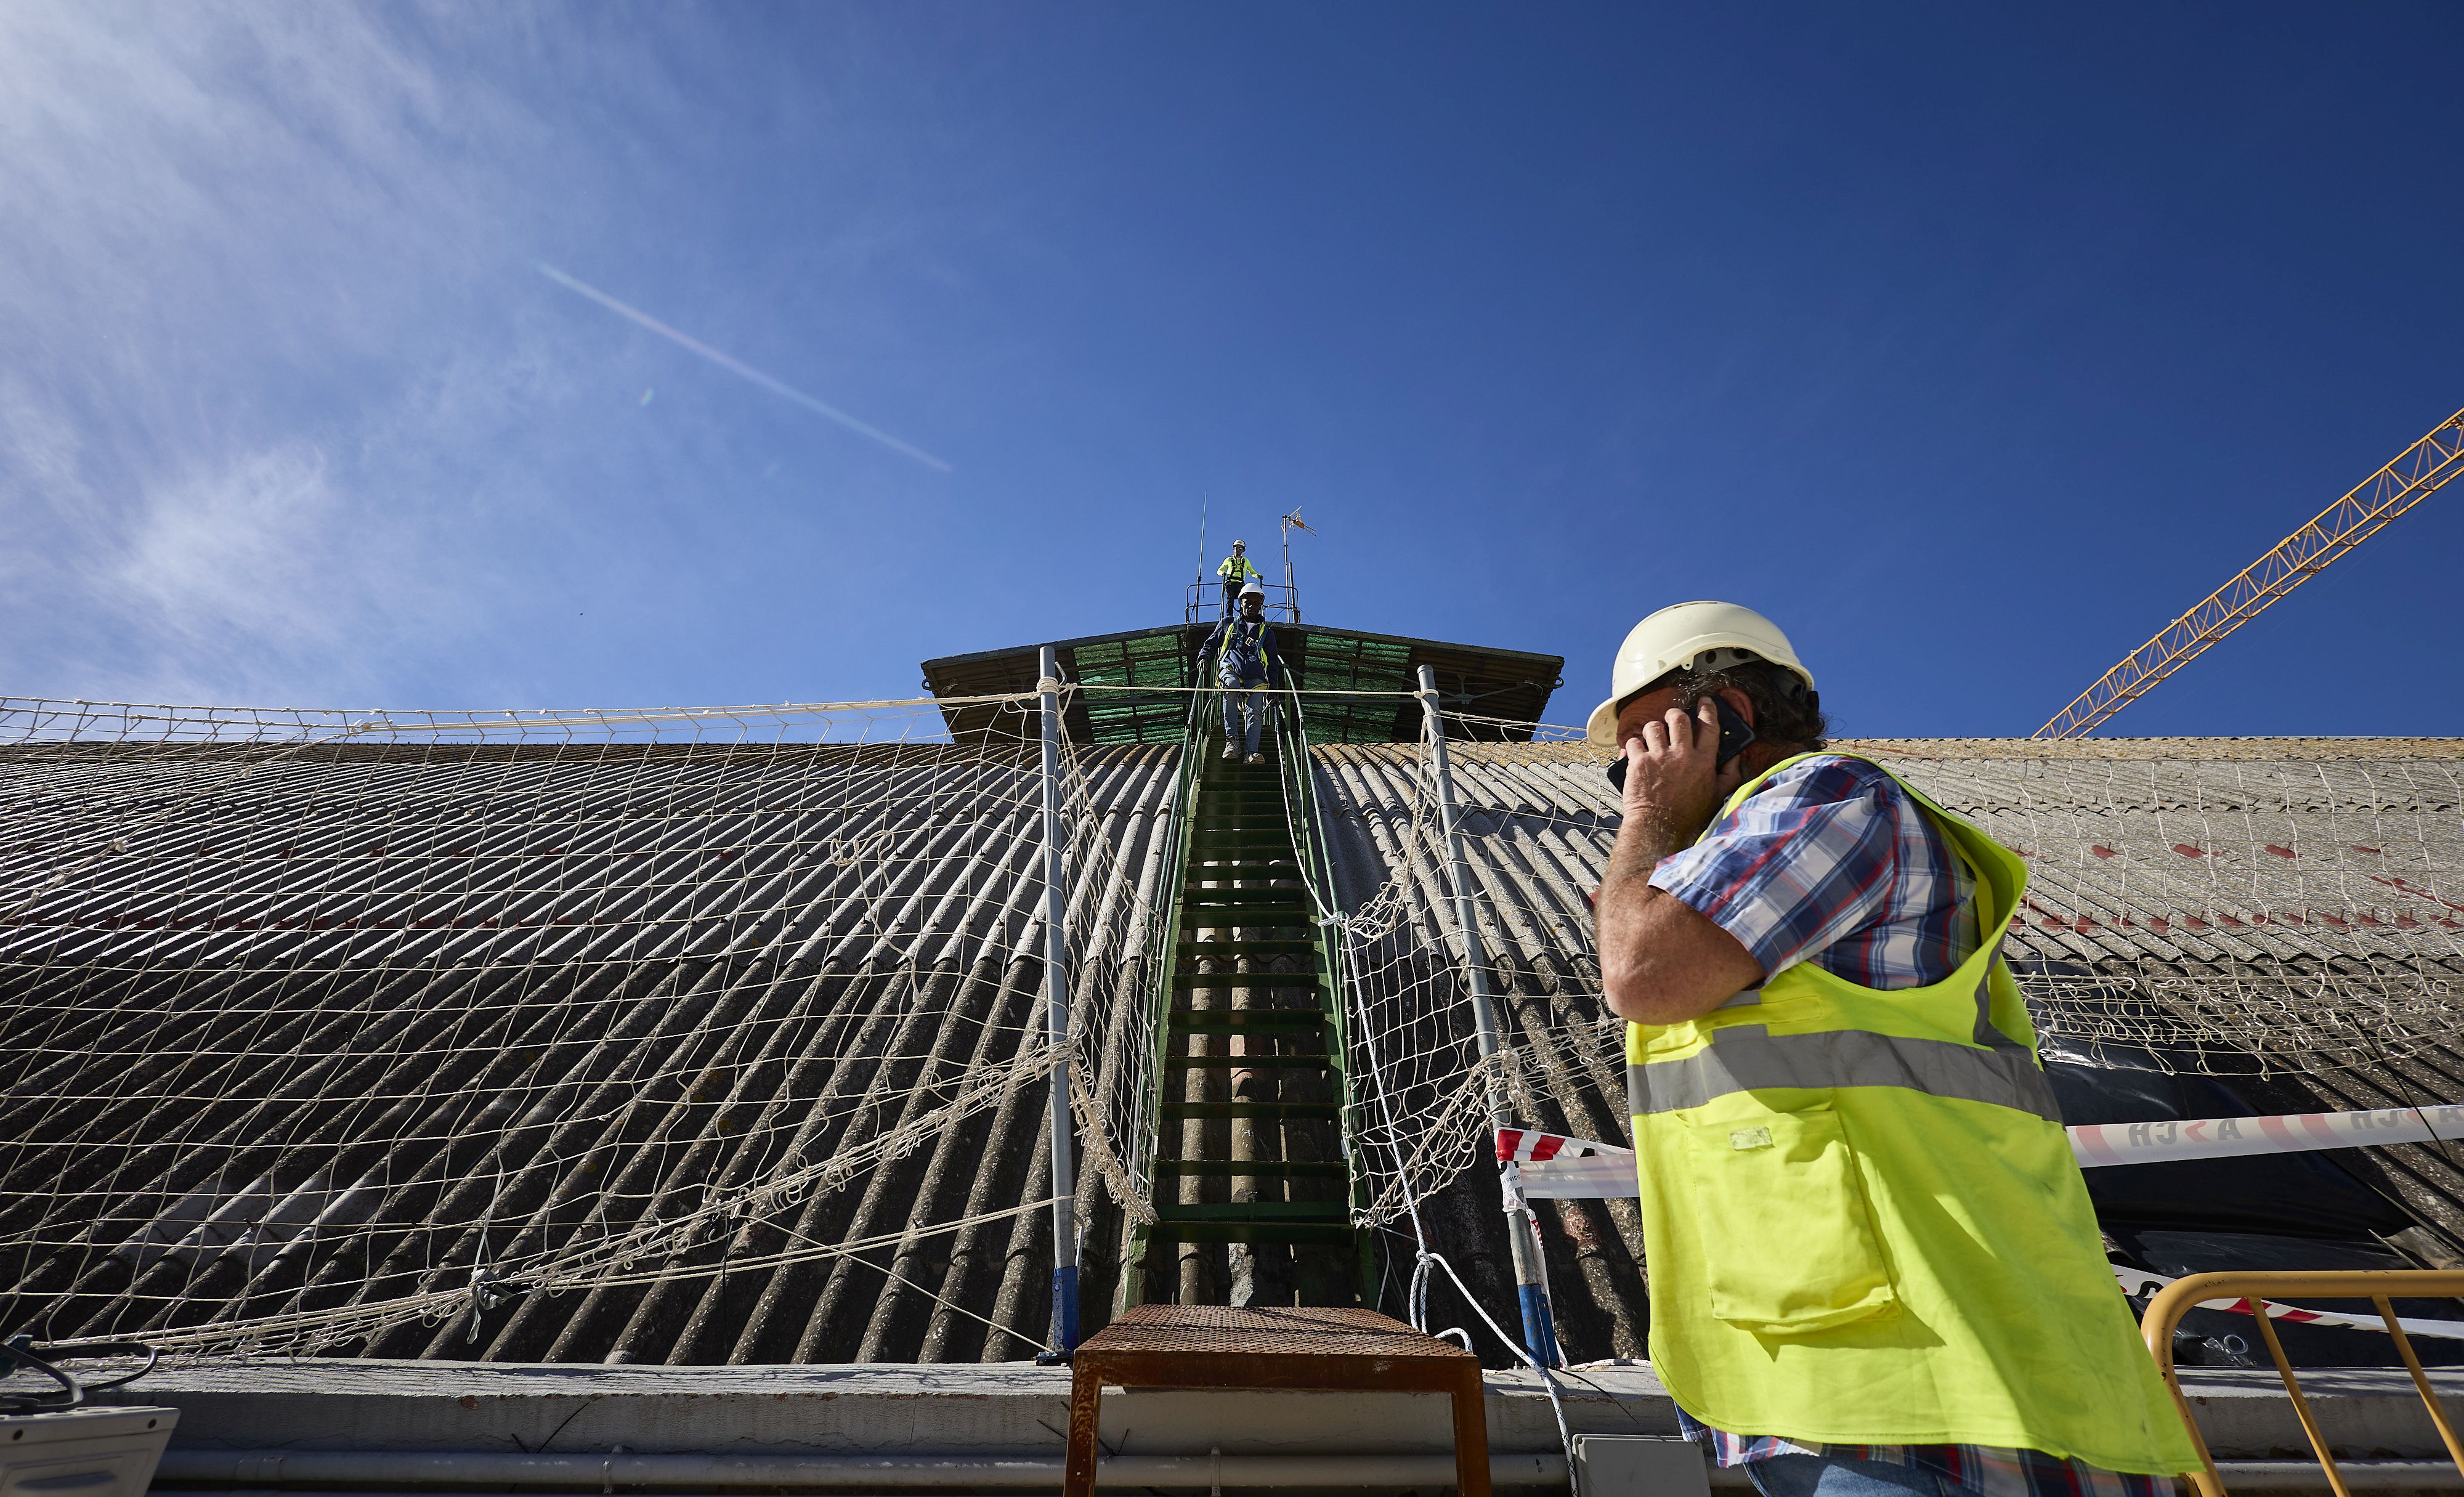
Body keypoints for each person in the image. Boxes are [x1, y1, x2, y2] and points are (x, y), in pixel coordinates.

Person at [1587, 600, 2198, 1497]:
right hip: (1844, 1381)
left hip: (1937, 1386)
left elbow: (1641, 969)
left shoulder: (1830, 801)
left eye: (1653, 740)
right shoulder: (1741, 861)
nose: (1636, 774)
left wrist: (1646, 820)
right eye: (1626, 761)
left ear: (1730, 715)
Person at [1203, 581, 1280, 764]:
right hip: (1230, 668)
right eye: (1248, 602)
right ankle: (1232, 742)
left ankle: (1251, 753)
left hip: (1256, 675)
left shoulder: (1267, 633)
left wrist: (1274, 689)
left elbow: (1273, 663)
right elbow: (1211, 644)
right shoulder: (1228, 624)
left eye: (1256, 603)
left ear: (1261, 605)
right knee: (1231, 687)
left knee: (1255, 709)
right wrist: (1204, 657)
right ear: (1240, 602)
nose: (1252, 606)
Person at [1216, 541, 1265, 617]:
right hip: (1230, 583)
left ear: (1243, 550)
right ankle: (1230, 616)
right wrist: (1222, 573)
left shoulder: (1246, 561)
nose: (1238, 550)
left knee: (1243, 600)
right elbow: (1219, 570)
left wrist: (1258, 576)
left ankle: (1242, 616)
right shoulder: (1229, 560)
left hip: (1240, 584)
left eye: (1240, 548)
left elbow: (1252, 571)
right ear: (1234, 549)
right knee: (1230, 599)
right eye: (1237, 548)